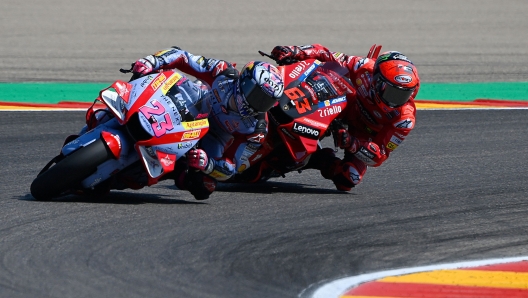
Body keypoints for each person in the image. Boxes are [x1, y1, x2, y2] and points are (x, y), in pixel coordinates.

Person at [132, 47, 284, 200]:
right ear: (244, 81)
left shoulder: (257, 130)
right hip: (190, 102)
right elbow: (182, 56)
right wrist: (152, 61)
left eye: (266, 102)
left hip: (213, 136)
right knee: (150, 72)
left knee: (204, 186)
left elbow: (232, 167)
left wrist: (208, 165)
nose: (258, 104)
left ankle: (166, 169)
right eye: (257, 96)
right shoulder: (223, 72)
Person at [270, 44, 420, 191]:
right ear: (377, 81)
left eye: (404, 95)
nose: (396, 101)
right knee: (321, 74)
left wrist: (352, 143)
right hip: (345, 103)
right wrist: (296, 51)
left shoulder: (404, 120)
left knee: (349, 178)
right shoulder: (364, 67)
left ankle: (316, 159)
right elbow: (328, 55)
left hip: (363, 133)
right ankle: (278, 98)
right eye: (392, 92)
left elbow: (379, 156)